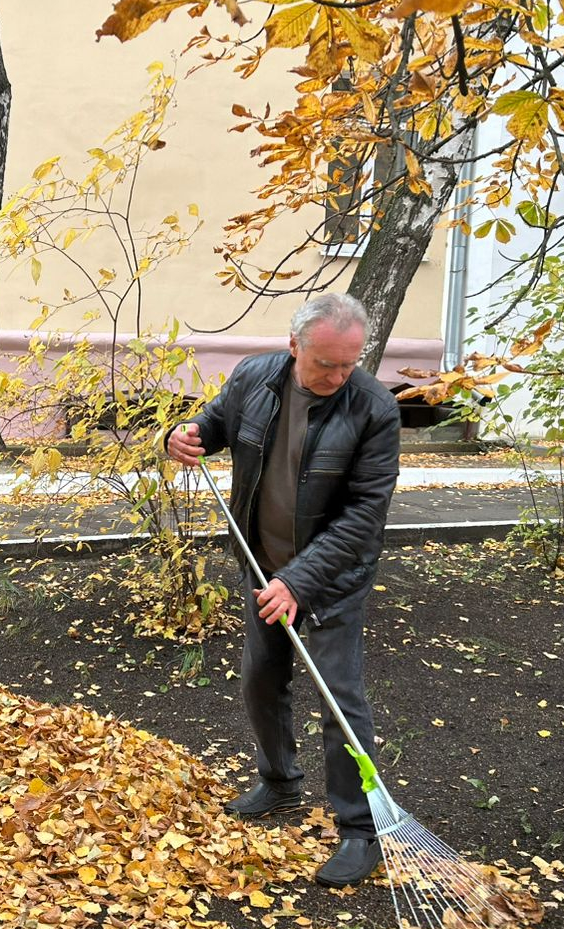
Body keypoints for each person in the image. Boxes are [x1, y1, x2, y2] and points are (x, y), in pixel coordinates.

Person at [165, 292, 401, 887]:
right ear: (294, 346)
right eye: (326, 364)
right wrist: (182, 437)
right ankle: (279, 783)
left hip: (330, 579)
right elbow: (212, 425)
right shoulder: (255, 377)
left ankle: (361, 829)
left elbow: (363, 514)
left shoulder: (374, 409)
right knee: (261, 679)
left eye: (350, 363)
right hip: (262, 563)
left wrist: (299, 581)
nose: (339, 376)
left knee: (339, 699)